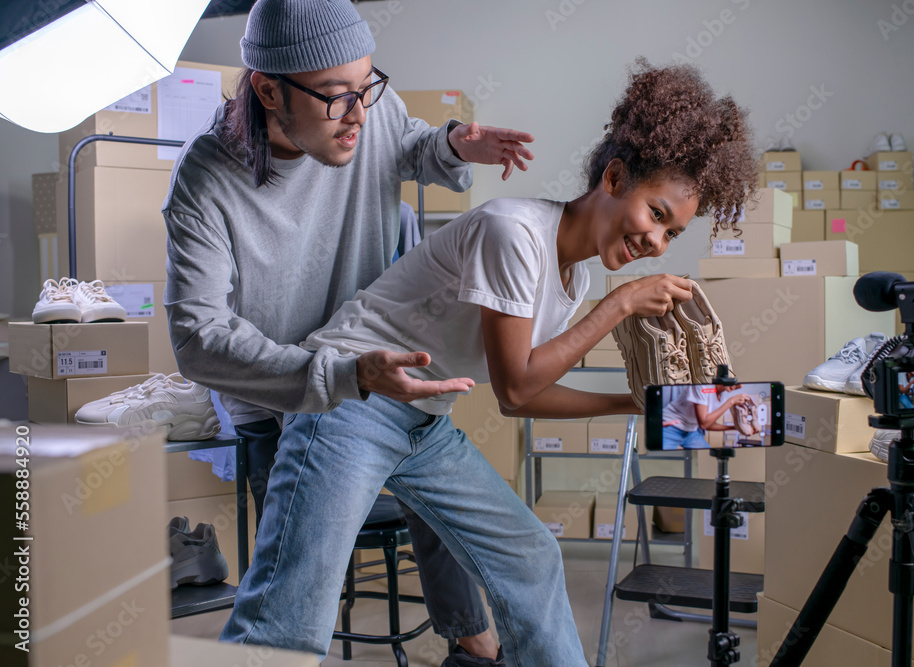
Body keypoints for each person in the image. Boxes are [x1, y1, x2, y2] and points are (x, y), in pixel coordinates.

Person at [219, 59, 758, 664]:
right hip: (350, 403)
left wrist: (636, 405)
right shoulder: (514, 232)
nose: (656, 243)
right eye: (656, 215)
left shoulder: (571, 277)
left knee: (529, 555)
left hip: (421, 424)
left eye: (672, 234)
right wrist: (621, 305)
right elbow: (516, 389)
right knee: (289, 619)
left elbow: (527, 393)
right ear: (613, 178)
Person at [162, 1, 535, 663]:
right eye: (338, 97)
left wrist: (450, 144)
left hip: (374, 367)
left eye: (368, 86)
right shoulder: (204, 179)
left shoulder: (368, 110)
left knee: (456, 502)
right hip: (282, 394)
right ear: (269, 89)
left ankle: (472, 644)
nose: (360, 113)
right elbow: (196, 336)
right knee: (295, 587)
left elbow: (407, 142)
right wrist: (335, 377)